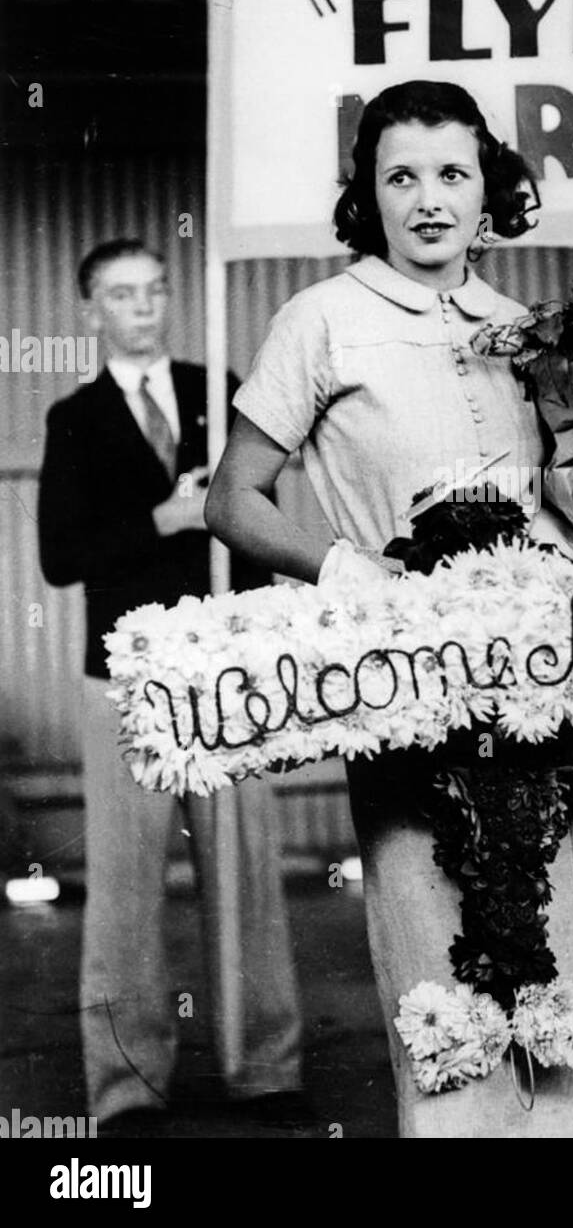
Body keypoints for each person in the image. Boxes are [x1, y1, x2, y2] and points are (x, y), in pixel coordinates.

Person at [205, 81, 573, 1138]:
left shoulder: (527, 328)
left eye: (453, 173)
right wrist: (350, 573)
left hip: (548, 694)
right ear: (367, 196)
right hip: (409, 696)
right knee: (444, 966)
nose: (429, 198)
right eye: (401, 175)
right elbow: (229, 498)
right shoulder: (319, 319)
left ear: (489, 192)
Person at [38, 239, 305, 1135]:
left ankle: (265, 1070)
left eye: (155, 290)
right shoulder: (74, 417)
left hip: (227, 668)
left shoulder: (215, 386)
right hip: (126, 680)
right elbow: (59, 556)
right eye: (123, 294)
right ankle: (125, 1087)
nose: (145, 307)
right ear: (92, 310)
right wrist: (162, 517)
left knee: (247, 876)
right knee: (122, 887)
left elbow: (261, 510)